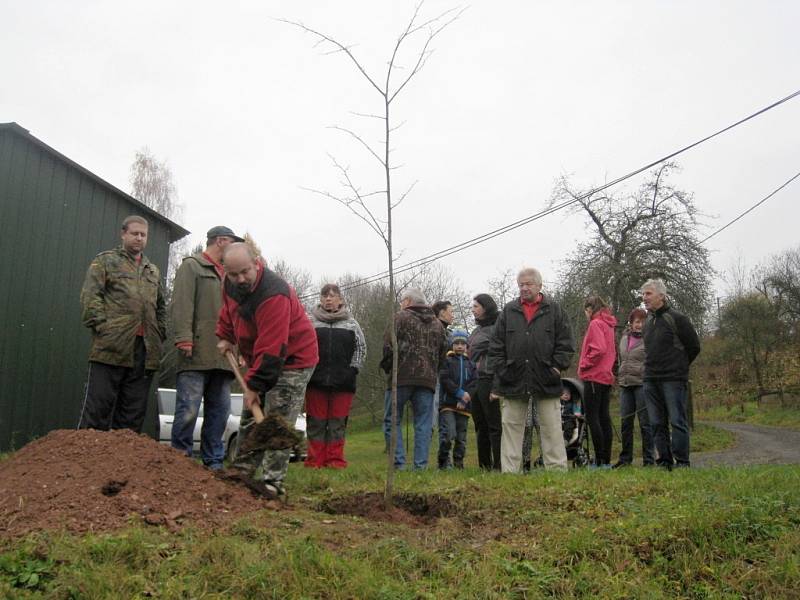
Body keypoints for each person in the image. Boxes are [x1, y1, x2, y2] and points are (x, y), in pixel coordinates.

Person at [215, 243, 318, 498]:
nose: (240, 279)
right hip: (262, 357)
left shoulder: (274, 294)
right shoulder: (230, 284)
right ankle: (242, 472)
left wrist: (254, 386)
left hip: (293, 358)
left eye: (245, 272)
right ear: (226, 271)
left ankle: (273, 483)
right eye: (234, 274)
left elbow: (272, 350)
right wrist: (226, 336)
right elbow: (229, 312)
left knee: (277, 421)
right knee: (251, 414)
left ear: (257, 262)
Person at [78, 215, 166, 432]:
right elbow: (90, 296)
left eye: (143, 235)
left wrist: (160, 332)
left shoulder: (152, 270)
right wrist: (104, 329)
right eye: (134, 233)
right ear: (123, 234)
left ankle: (122, 464)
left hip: (144, 351)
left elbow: (161, 306)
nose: (139, 238)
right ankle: (88, 459)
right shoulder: (106, 261)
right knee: (98, 409)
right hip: (111, 347)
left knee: (132, 415)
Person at [170, 226, 243, 470]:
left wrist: (240, 351)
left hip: (224, 357)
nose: (236, 249)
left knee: (220, 413)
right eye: (233, 243)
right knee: (188, 410)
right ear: (221, 241)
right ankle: (180, 460)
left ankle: (213, 462)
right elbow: (182, 303)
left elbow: (237, 316)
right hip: (197, 351)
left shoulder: (231, 275)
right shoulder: (192, 266)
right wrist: (183, 337)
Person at [488, 267, 574, 472]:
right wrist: (502, 370)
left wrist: (555, 367)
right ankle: (510, 473)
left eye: (528, 284)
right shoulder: (508, 311)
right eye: (521, 285)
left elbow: (566, 343)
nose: (524, 288)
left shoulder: (555, 310)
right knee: (511, 428)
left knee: (552, 428)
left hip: (546, 378)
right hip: (513, 379)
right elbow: (496, 345)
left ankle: (557, 471)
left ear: (539, 285)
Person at [382, 288, 448, 470]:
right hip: (427, 380)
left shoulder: (399, 318)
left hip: (400, 377)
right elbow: (444, 352)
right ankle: (421, 466)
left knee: (392, 421)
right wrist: (433, 371)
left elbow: (388, 346)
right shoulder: (438, 324)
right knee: (423, 423)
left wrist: (389, 369)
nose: (401, 304)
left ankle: (398, 464)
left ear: (408, 301)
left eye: (402, 301)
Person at [641, 278, 701, 469]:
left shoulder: (677, 318)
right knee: (656, 423)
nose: (645, 298)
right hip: (651, 379)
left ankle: (682, 462)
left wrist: (680, 367)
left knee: (677, 421)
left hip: (673, 379)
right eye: (643, 294)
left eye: (648, 294)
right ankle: (664, 462)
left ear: (661, 295)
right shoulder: (648, 322)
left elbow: (694, 346)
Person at [304, 283, 366, 468]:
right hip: (315, 381)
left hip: (344, 383)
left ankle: (335, 460)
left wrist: (353, 370)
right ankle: (314, 461)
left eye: (332, 295)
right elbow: (302, 345)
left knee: (337, 423)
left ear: (340, 299)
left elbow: (361, 349)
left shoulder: (352, 323)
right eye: (325, 296)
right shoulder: (310, 321)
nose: (328, 299)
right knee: (316, 422)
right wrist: (307, 369)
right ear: (321, 299)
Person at [577, 295, 617, 468]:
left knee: (594, 418)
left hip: (593, 375)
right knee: (604, 417)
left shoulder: (595, 324)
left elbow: (599, 350)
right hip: (606, 376)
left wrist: (585, 364)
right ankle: (605, 459)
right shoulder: (608, 324)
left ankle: (599, 460)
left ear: (589, 309)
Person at [614, 308, 655, 468]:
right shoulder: (624, 338)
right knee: (626, 423)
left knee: (645, 423)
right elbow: (620, 360)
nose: (640, 325)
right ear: (631, 324)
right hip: (625, 385)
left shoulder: (649, 339)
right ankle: (625, 459)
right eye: (637, 322)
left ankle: (649, 460)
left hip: (642, 384)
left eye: (643, 321)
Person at [467, 293, 502, 470]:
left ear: (486, 307)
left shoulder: (498, 327)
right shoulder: (475, 331)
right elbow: (469, 354)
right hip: (475, 382)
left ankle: (499, 465)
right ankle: (484, 466)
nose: (472, 310)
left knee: (494, 425)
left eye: (476, 306)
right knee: (480, 424)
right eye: (472, 307)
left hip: (490, 380)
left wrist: (497, 386)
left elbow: (500, 358)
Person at [437, 329, 477, 469]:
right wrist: (459, 393)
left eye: (462, 343)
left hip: (464, 407)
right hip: (448, 404)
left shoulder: (470, 364)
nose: (459, 346)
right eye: (456, 343)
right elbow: (445, 380)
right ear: (452, 345)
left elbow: (474, 383)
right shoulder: (446, 361)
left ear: (467, 346)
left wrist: (465, 398)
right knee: (449, 434)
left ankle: (459, 464)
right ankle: (442, 461)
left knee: (461, 438)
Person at [431, 299, 454, 434]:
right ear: (441, 313)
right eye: (451, 312)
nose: (453, 315)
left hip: (447, 377)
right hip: (436, 375)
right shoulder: (433, 330)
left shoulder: (449, 333)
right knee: (434, 407)